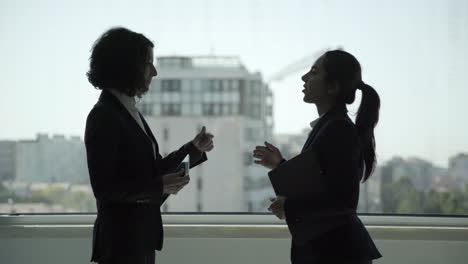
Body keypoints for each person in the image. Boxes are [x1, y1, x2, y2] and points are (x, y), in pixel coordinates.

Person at [85, 27, 214, 264]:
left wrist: (194, 150)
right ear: (127, 65)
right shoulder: (104, 115)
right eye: (148, 63)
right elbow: (105, 188)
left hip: (137, 241)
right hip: (120, 246)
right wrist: (158, 186)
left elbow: (154, 171)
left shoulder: (126, 111)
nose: (154, 72)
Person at [253, 50, 382, 264]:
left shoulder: (338, 129)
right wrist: (281, 165)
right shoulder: (330, 126)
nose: (304, 78)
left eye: (313, 72)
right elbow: (322, 183)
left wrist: (289, 207)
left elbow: (343, 201)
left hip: (337, 253)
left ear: (332, 87)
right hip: (332, 250)